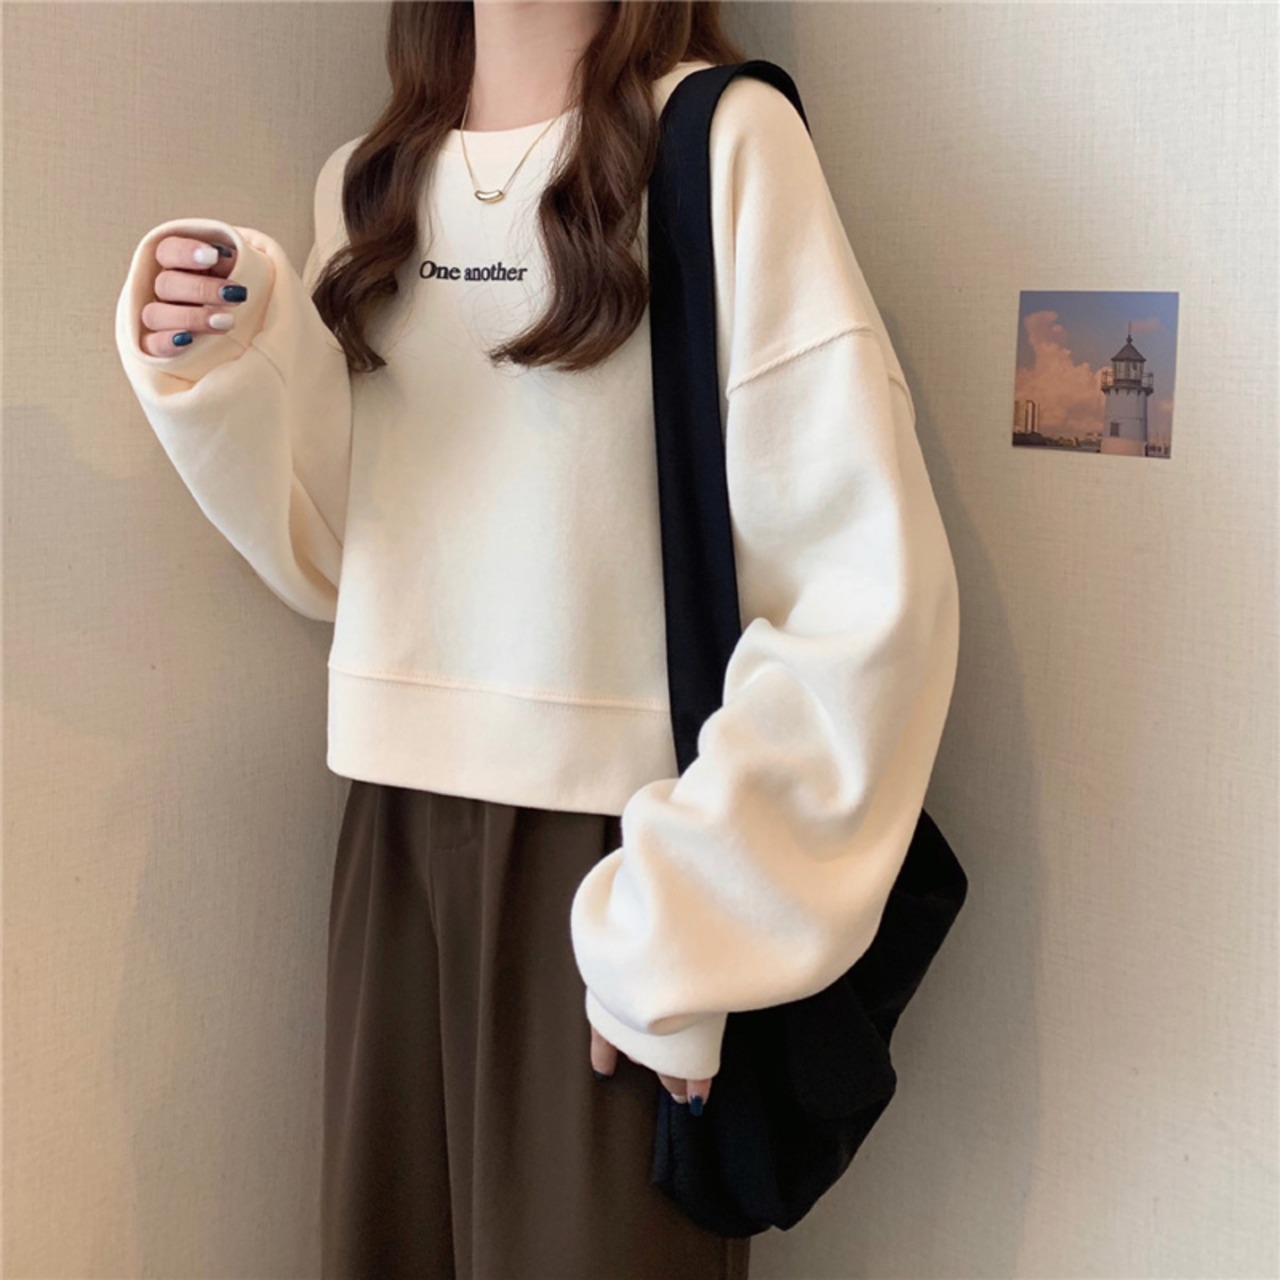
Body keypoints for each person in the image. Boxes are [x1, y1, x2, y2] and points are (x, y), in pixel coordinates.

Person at [113, 1, 961, 1276]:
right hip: (390, 842)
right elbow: (351, 559)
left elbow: (863, 587)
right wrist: (232, 361)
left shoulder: (721, 141)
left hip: (620, 862)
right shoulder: (367, 186)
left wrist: (688, 919)